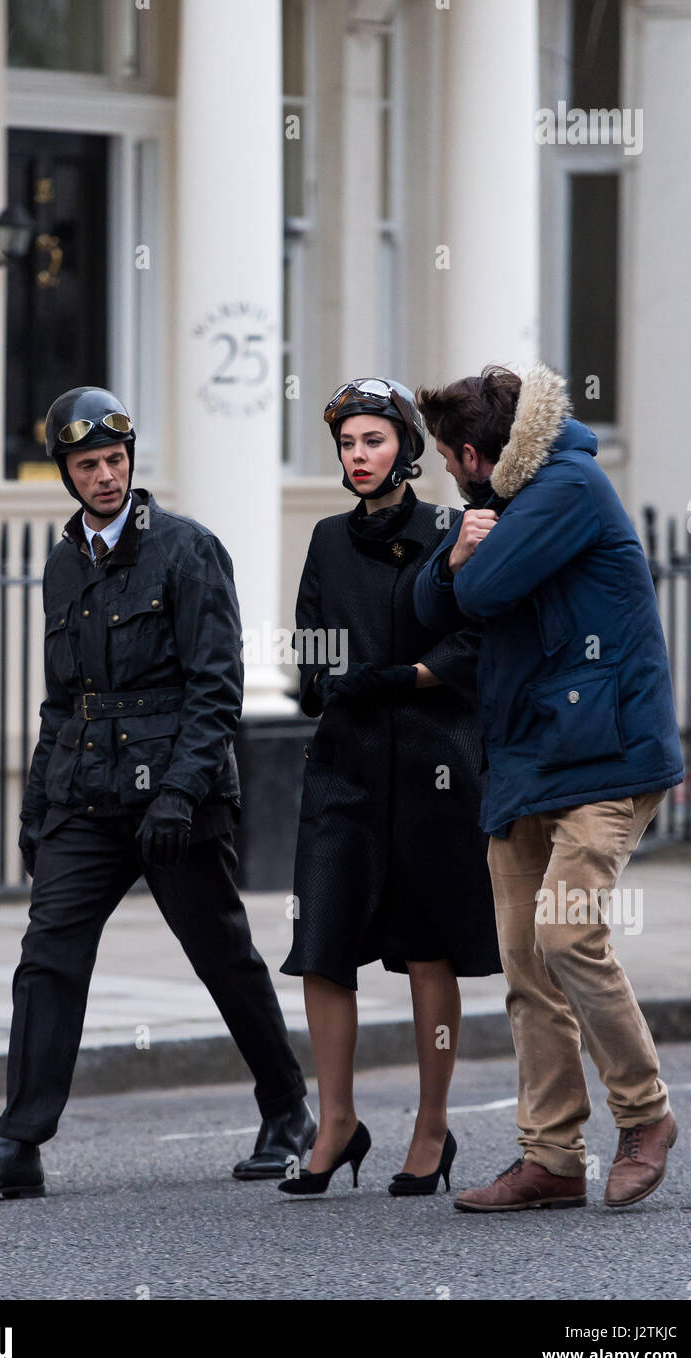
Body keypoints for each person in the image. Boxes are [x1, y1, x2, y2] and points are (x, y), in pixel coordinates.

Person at [0, 386, 314, 1199]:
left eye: (114, 460)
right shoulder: (62, 564)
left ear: (131, 461)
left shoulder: (187, 550)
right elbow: (59, 700)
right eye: (87, 465)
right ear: (66, 474)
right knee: (47, 958)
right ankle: (19, 1143)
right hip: (83, 792)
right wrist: (37, 810)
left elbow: (216, 688)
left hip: (172, 794)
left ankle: (289, 1113)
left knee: (221, 955)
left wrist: (181, 793)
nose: (105, 476)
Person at [413, 363, 684, 1212]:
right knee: (527, 965)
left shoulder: (569, 486)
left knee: (568, 940)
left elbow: (479, 589)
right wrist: (459, 550)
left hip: (604, 759)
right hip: (526, 759)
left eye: (448, 464)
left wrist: (465, 556)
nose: (446, 480)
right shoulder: (503, 503)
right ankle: (554, 1158)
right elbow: (432, 600)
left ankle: (646, 1117)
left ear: (471, 454)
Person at [277, 378, 501, 1198]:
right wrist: (323, 678)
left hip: (435, 764)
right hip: (344, 764)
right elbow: (309, 638)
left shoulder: (453, 529)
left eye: (373, 440)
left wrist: (406, 676)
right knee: (323, 947)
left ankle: (432, 1127)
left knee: (426, 946)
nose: (359, 456)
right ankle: (336, 1122)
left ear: (406, 447)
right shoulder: (328, 539)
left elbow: (480, 635)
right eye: (347, 443)